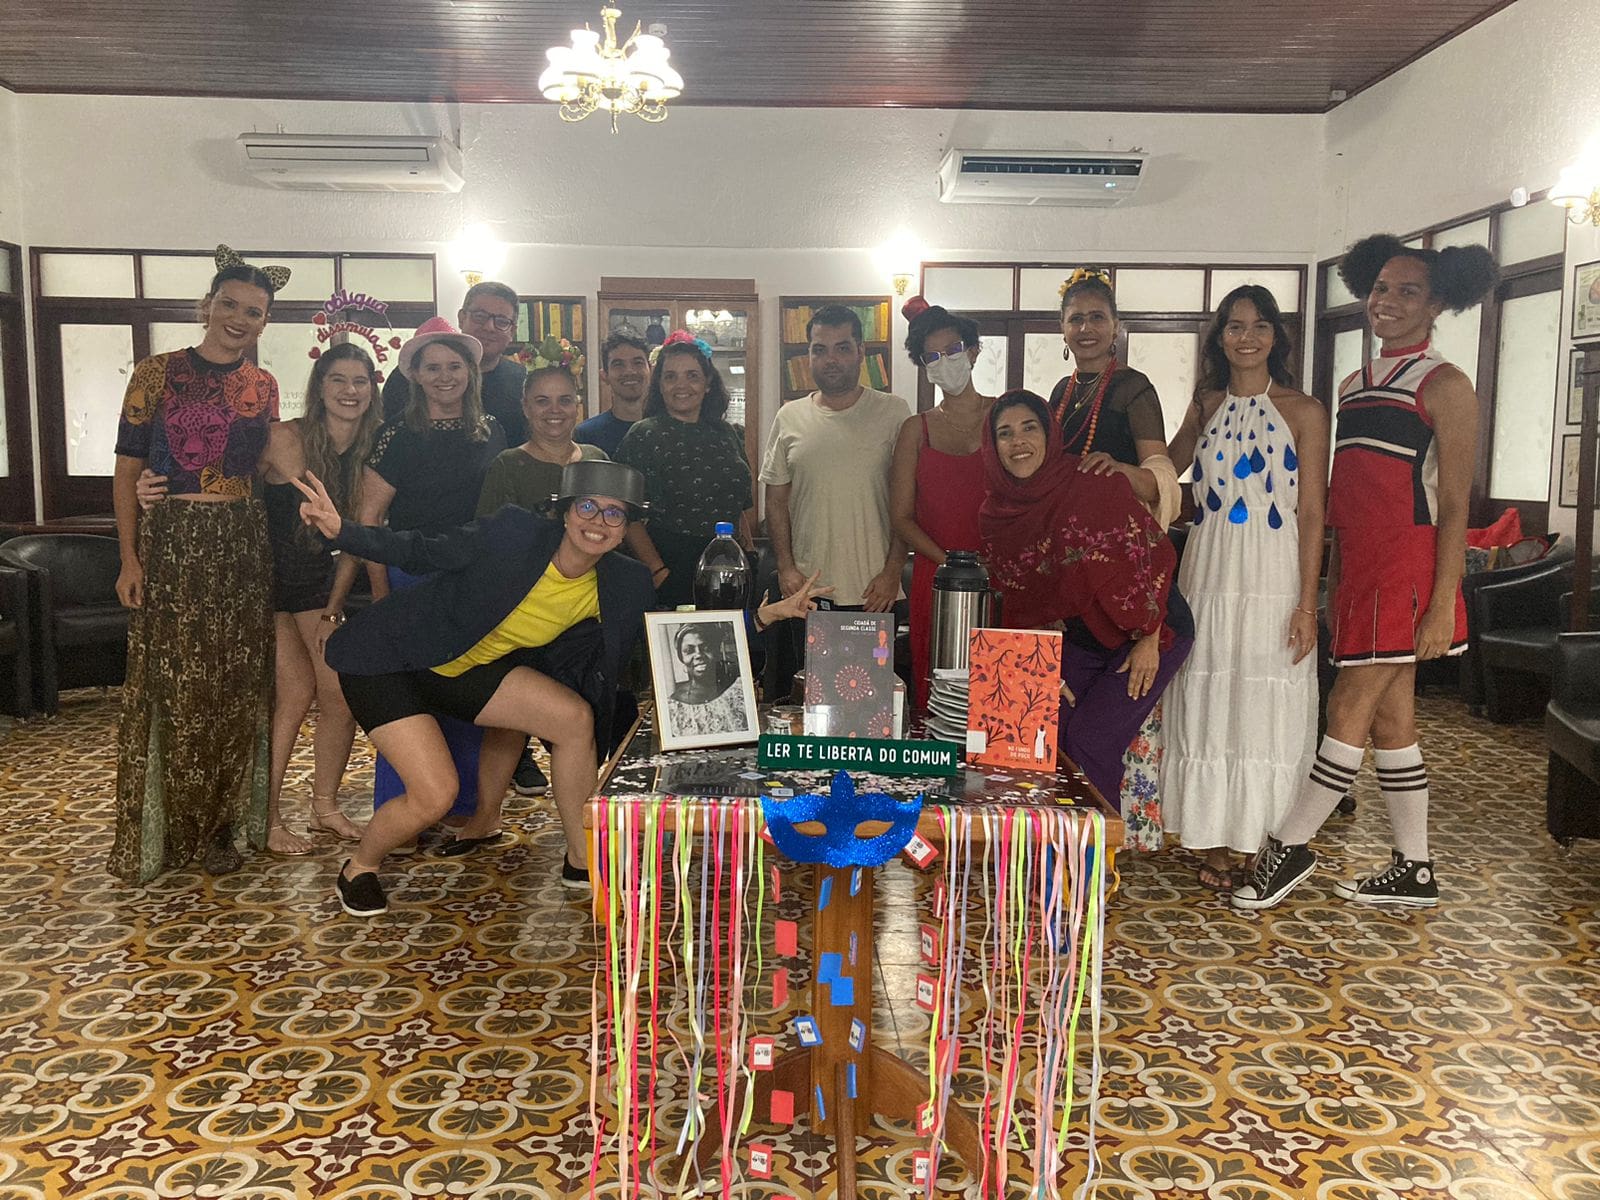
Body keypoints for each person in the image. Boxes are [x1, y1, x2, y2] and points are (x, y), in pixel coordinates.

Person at [1233, 234, 1497, 912]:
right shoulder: (1354, 385)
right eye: (1381, 287)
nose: (1388, 301)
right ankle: (1415, 868)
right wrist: (1330, 580)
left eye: (1408, 291)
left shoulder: (1448, 385)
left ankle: (1289, 847)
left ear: (1437, 303)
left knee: (1347, 706)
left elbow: (1455, 505)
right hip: (1358, 568)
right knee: (1389, 722)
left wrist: (1442, 603)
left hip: (1408, 568)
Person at [292, 460, 654, 915]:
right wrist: (342, 531)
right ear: (564, 512)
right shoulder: (514, 533)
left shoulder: (625, 582)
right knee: (435, 796)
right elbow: (420, 550)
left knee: (573, 718)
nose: (598, 522)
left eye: (614, 513)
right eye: (587, 506)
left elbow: (655, 647)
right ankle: (359, 867)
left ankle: (582, 861)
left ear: (625, 530)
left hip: (466, 670)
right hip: (389, 661)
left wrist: (741, 632)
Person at [136, 342, 382, 855]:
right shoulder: (283, 435)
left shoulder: (372, 449)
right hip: (262, 580)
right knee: (309, 696)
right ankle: (267, 818)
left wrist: (334, 608)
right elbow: (210, 472)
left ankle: (320, 807)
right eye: (338, 379)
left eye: (360, 381)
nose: (350, 390)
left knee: (323, 695)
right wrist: (150, 483)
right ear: (319, 387)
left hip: (318, 586)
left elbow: (359, 538)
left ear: (372, 389)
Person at [109, 248, 286, 882]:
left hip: (243, 540)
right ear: (207, 306)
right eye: (229, 304)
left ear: (264, 322)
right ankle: (166, 831)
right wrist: (129, 557)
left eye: (254, 312)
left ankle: (221, 827)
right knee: (175, 684)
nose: (239, 318)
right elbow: (127, 469)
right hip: (173, 539)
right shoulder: (156, 372)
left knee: (236, 687)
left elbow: (267, 469)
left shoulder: (263, 386)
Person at [1161, 286, 1329, 892]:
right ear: (1220, 337)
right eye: (1234, 326)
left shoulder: (1306, 411)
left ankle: (1265, 841)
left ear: (1276, 336)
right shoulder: (1203, 405)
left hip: (1274, 572)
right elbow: (1164, 476)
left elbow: (1313, 513)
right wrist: (1112, 472)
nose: (1247, 337)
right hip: (1207, 570)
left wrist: (1307, 604)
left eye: (1259, 326)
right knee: (1207, 692)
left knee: (1266, 697)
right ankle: (1213, 838)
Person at [328, 317, 506, 834]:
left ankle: (464, 805)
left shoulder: (492, 430)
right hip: (411, 579)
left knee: (470, 691)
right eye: (433, 368)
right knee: (408, 699)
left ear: (470, 373)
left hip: (472, 581)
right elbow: (369, 522)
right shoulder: (396, 436)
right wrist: (382, 593)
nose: (445, 377)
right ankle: (403, 809)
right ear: (416, 376)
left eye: (454, 366)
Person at [980, 390, 1192, 810]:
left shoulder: (1091, 481)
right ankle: (1047, 841)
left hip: (1152, 629)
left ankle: (1094, 849)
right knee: (1044, 729)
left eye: (1029, 428)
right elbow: (1021, 600)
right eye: (1005, 433)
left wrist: (1150, 638)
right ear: (992, 446)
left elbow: (1153, 556)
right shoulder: (996, 514)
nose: (1018, 441)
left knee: (1090, 742)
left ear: (1049, 434)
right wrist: (1042, 669)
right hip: (1083, 636)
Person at [1049, 269, 1185, 850]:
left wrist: (1125, 472)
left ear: (1115, 327)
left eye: (1097, 317)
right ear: (1062, 329)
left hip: (1143, 606)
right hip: (1085, 603)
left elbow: (1161, 477)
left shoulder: (1134, 389)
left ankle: (1090, 866)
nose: (1086, 328)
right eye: (1076, 318)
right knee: (1058, 736)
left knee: (1092, 743)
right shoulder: (1060, 395)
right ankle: (1060, 856)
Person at [476, 363, 607, 799]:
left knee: (581, 715)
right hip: (523, 611)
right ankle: (486, 816)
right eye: (542, 401)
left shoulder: (597, 459)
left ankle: (583, 815)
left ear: (578, 405)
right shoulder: (508, 465)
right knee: (509, 722)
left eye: (565, 400)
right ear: (526, 407)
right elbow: (489, 541)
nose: (555, 410)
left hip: (583, 613)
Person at [762, 304, 909, 615]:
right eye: (820, 350)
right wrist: (786, 568)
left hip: (875, 592)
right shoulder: (789, 416)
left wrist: (893, 572)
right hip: (807, 592)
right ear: (809, 354)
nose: (830, 359)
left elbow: (908, 502)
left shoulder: (894, 412)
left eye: (842, 348)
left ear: (860, 351)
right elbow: (775, 501)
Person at [888, 298, 991, 710]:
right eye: (932, 356)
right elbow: (901, 517)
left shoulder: (1005, 415)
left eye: (953, 350)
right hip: (938, 576)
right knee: (939, 696)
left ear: (973, 351)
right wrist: (951, 564)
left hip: (1001, 573)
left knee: (1000, 694)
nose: (944, 362)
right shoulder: (916, 429)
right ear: (924, 367)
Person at [614, 331, 753, 609]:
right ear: (660, 385)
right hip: (670, 563)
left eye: (692, 375)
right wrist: (658, 572)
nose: (682, 385)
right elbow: (624, 511)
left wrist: (749, 553)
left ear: (708, 382)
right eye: (671, 376)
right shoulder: (644, 435)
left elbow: (739, 504)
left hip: (730, 563)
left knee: (735, 636)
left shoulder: (728, 433)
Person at [381, 280, 528, 444]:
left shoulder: (522, 381)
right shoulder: (407, 377)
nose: (489, 327)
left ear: (512, 331)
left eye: (501, 321)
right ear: (461, 318)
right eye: (480, 316)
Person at [662, 622, 748, 736]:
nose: (698, 655)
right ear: (681, 658)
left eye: (705, 648)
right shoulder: (673, 707)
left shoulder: (738, 690)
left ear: (715, 652)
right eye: (689, 651)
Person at [576, 333, 651, 457]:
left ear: (651, 370)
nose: (629, 371)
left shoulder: (667, 431)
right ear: (604, 376)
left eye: (637, 363)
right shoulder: (586, 435)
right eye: (618, 364)